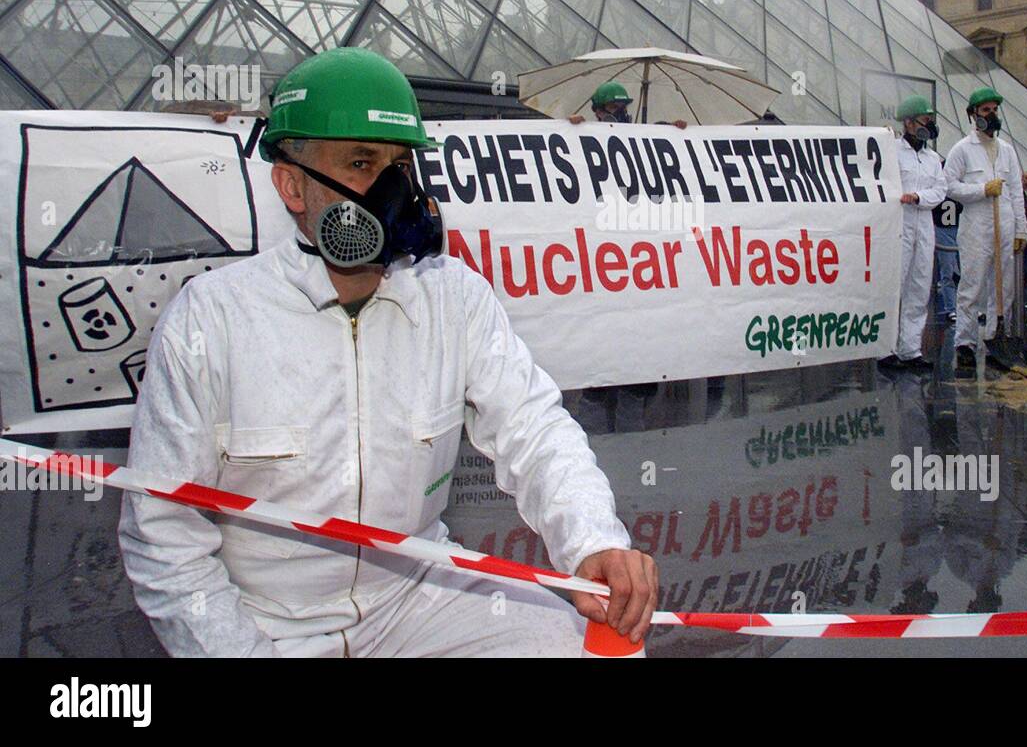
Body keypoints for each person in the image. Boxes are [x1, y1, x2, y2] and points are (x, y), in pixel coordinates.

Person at [119, 47, 657, 657]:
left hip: (417, 593)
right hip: (265, 619)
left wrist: (593, 542)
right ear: (291, 183)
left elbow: (534, 428)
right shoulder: (211, 320)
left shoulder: (452, 298)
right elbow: (163, 538)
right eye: (359, 162)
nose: (392, 188)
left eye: (401, 164)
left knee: (580, 649)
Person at [942, 87, 1026, 372]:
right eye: (986, 110)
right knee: (972, 285)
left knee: (1003, 287)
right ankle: (964, 342)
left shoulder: (1007, 151)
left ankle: (993, 336)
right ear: (973, 115)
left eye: (994, 110)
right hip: (977, 226)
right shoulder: (962, 149)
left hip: (1005, 223)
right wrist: (981, 190)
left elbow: (1016, 192)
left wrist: (1020, 231)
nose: (991, 115)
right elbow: (949, 186)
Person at [880, 95, 947, 372]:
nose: (929, 125)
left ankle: (911, 348)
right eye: (925, 120)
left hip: (923, 221)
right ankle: (887, 348)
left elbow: (940, 190)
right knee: (896, 284)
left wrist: (919, 196)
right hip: (900, 224)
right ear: (908, 123)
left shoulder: (932, 158)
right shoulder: (892, 152)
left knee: (919, 287)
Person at [569, 81, 687, 128]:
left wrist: (671, 128)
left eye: (623, 107)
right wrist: (571, 125)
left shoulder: (634, 135)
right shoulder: (587, 134)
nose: (620, 112)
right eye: (614, 107)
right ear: (599, 112)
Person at [932, 191, 961, 324]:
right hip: (943, 230)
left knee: (967, 272)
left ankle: (966, 306)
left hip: (960, 229)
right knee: (947, 272)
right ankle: (951, 307)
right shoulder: (939, 191)